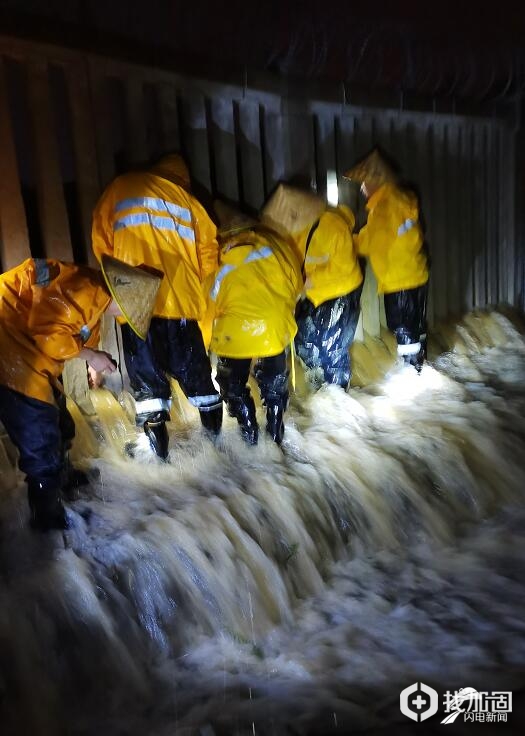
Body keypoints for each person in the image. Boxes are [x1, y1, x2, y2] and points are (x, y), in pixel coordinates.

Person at [0, 255, 161, 531]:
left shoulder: (95, 296)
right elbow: (51, 338)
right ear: (121, 298)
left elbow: (76, 334)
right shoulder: (85, 288)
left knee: (60, 419)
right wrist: (92, 356)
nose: (122, 316)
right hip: (9, 352)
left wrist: (93, 365)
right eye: (125, 310)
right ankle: (46, 514)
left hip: (27, 351)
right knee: (39, 431)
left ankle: (60, 477)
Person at [92, 154, 222, 459]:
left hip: (136, 302)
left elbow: (101, 245)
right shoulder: (188, 201)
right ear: (181, 178)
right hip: (180, 303)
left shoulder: (119, 188)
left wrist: (122, 282)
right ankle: (217, 448)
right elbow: (209, 253)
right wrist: (190, 283)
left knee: (149, 386)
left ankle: (158, 456)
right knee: (198, 378)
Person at [209, 204, 302, 445]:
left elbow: (210, 299)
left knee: (232, 383)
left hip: (234, 329)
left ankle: (249, 434)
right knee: (274, 384)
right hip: (273, 324)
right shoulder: (275, 244)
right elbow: (296, 281)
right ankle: (274, 435)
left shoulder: (219, 255)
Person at [262, 184, 363, 389]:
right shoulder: (295, 231)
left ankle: (337, 398)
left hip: (340, 292)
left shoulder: (333, 226)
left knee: (331, 347)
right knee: (304, 341)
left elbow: (344, 269)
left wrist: (310, 281)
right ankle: (319, 393)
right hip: (311, 293)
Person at [344, 150, 429, 371]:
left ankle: (413, 374)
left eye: (364, 182)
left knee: (402, 328)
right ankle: (421, 367)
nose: (362, 187)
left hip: (399, 278)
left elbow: (371, 241)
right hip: (416, 272)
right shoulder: (402, 199)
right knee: (415, 325)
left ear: (376, 181)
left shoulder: (383, 207)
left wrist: (345, 243)